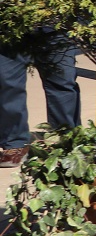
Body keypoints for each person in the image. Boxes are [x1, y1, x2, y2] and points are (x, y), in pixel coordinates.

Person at [0, 34, 80, 169]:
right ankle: (14, 143)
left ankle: (67, 138)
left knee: (62, 83)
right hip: (10, 26)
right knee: (7, 84)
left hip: (53, 23)